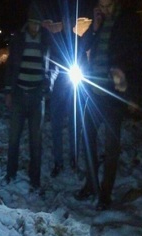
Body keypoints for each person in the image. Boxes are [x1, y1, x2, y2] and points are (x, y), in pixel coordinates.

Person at [74, 0, 142, 210]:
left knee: (111, 146)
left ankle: (105, 194)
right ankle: (90, 184)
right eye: (101, 6)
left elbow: (138, 56)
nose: (104, 9)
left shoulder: (129, 21)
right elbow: (84, 46)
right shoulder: (101, 23)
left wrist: (128, 80)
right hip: (94, 92)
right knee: (87, 139)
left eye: (108, 5)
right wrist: (95, 29)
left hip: (113, 95)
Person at [3, 1, 56, 192]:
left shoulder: (46, 40)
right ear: (28, 22)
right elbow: (10, 67)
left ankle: (35, 178)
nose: (35, 27)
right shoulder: (18, 39)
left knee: (36, 140)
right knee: (14, 138)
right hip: (19, 95)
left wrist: (48, 84)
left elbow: (54, 66)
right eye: (32, 23)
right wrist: (8, 91)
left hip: (36, 98)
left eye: (38, 23)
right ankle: (10, 173)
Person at [49, 8, 88, 177]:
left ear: (73, 23)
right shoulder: (55, 40)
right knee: (56, 126)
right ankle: (58, 161)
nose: (67, 22)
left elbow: (84, 65)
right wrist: (49, 83)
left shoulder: (79, 41)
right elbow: (49, 63)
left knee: (74, 125)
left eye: (70, 20)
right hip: (58, 88)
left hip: (74, 88)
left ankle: (74, 159)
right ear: (62, 23)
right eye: (64, 20)